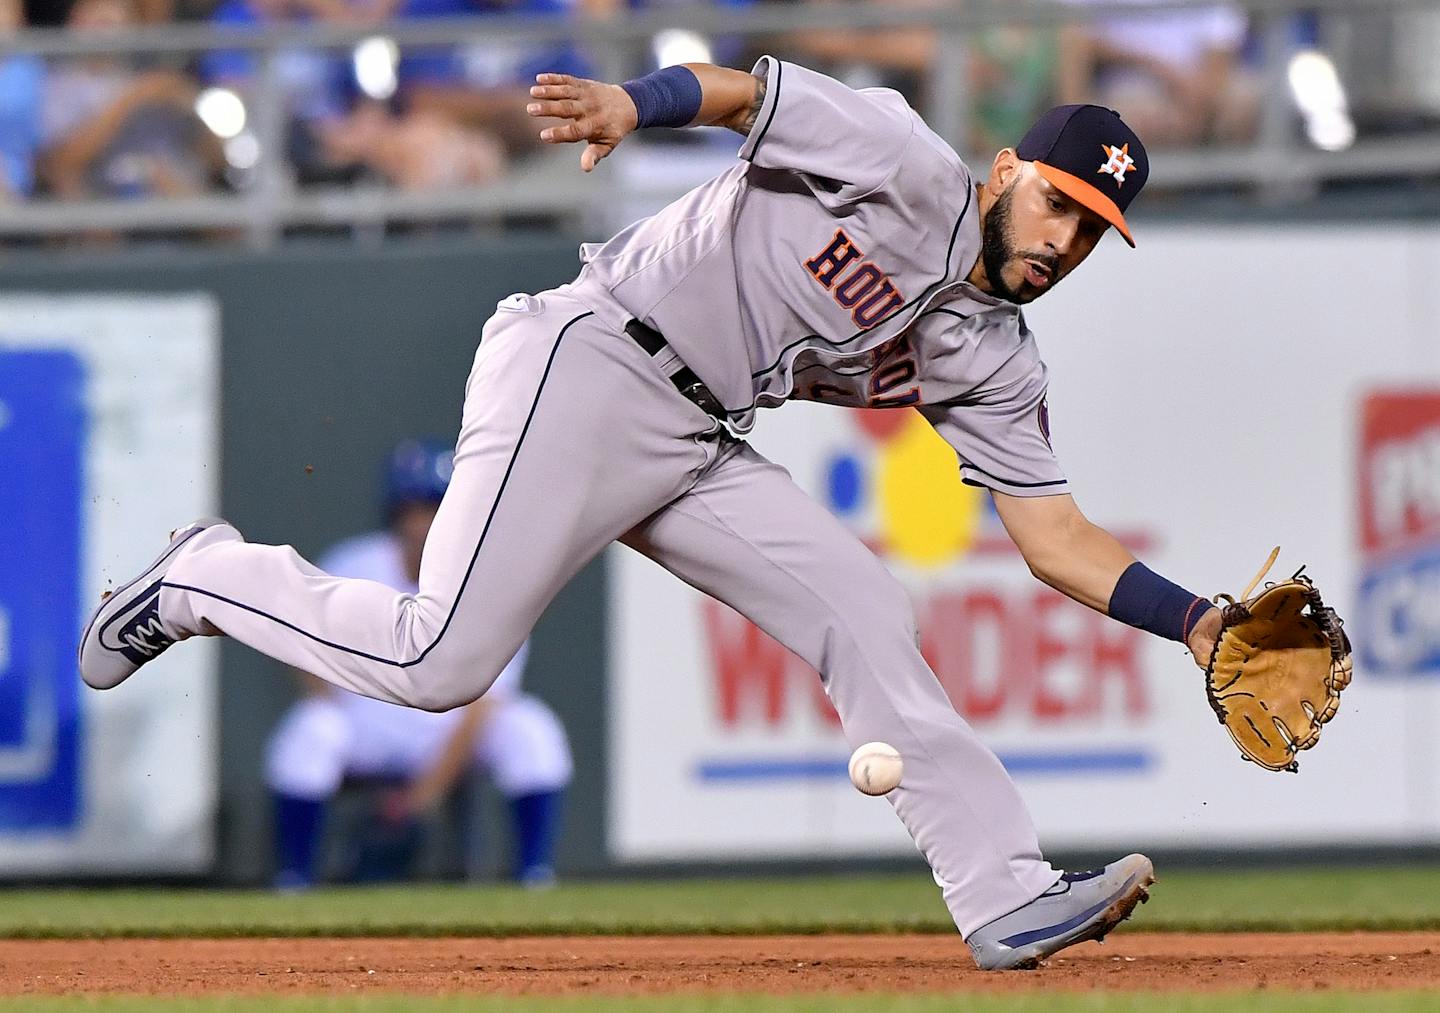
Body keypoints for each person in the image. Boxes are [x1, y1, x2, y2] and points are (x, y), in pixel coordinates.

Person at [82, 55, 1224, 971]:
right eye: (1058, 205)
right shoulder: (903, 161)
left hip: (699, 437)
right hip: (592, 358)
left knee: (865, 606)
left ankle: (1005, 891)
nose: (1062, 241)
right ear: (1009, 168)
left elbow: (1053, 537)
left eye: (1089, 231)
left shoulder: (994, 359)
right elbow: (749, 94)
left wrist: (1197, 622)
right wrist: (636, 101)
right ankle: (201, 579)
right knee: (439, 660)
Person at [265, 439, 572, 888]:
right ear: (396, 515)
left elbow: (485, 705)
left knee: (531, 728)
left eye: (441, 509)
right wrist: (332, 700)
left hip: (447, 729)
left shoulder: (489, 582)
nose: (429, 524)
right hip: (366, 721)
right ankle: (294, 879)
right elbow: (296, 641)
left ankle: (535, 875)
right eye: (420, 509)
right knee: (313, 729)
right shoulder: (354, 564)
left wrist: (422, 797)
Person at [1058, 0, 1258, 147]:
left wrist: (1205, 91)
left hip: (1198, 74)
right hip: (1128, 76)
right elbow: (1077, 37)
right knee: (1141, 116)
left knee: (1245, 102)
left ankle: (1245, 196)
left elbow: (1222, 36)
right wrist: (1160, 69)